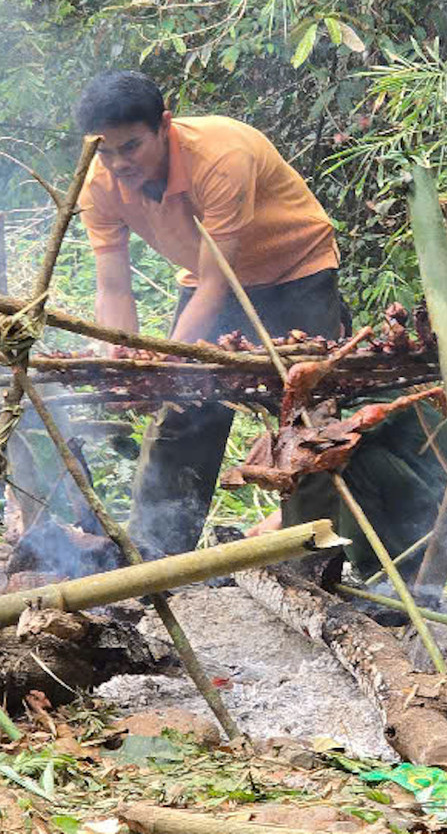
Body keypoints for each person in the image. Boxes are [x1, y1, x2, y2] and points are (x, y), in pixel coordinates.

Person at [75, 70, 343, 556]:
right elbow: (113, 287)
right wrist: (127, 358)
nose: (118, 163)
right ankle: (155, 554)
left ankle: (306, 556)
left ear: (164, 126)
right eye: (105, 151)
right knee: (183, 409)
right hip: (203, 277)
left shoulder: (221, 156)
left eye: (131, 147)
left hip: (296, 269)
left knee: (308, 417)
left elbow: (220, 283)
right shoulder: (98, 183)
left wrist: (169, 361)